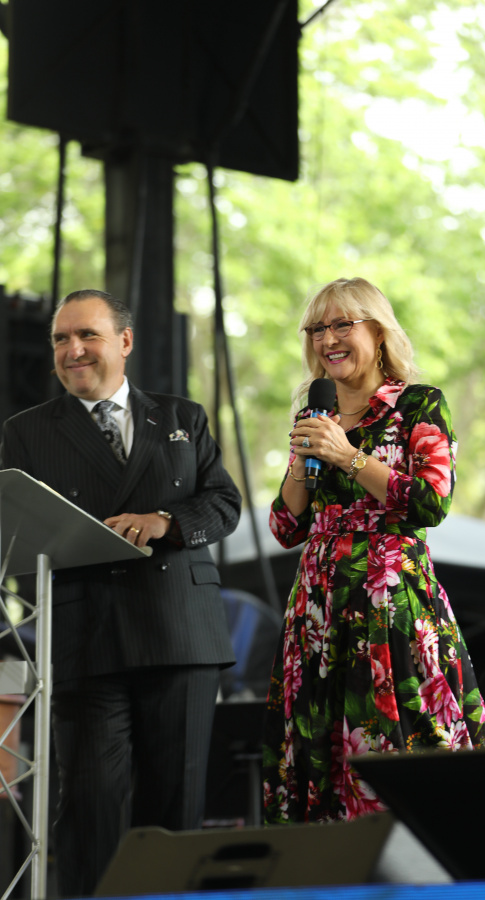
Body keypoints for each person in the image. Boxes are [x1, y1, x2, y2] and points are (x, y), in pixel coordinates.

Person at [0, 289, 242, 896]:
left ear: (125, 341)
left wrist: (166, 522)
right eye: (61, 338)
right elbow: (15, 535)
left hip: (180, 633)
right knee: (89, 812)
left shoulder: (183, 417)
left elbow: (224, 503)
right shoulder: (26, 432)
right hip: (87, 640)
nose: (73, 349)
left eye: (88, 335)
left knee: (175, 816)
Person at [262, 277, 485, 825]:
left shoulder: (418, 405)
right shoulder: (314, 415)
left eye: (342, 324)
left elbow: (430, 502)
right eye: (317, 329)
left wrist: (347, 456)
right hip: (318, 607)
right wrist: (305, 456)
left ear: (379, 331)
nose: (328, 339)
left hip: (389, 599)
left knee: (400, 736)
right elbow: (285, 526)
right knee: (318, 751)